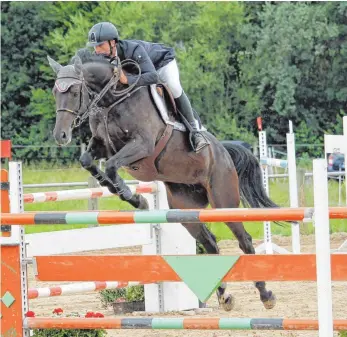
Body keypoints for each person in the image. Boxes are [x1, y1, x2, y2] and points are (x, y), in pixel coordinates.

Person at [86, 21, 208, 152]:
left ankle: (196, 133)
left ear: (113, 43)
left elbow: (152, 76)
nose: (97, 50)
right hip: (140, 72)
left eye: (100, 45)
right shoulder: (100, 57)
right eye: (94, 47)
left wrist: (127, 79)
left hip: (161, 65)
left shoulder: (133, 50)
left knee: (174, 87)